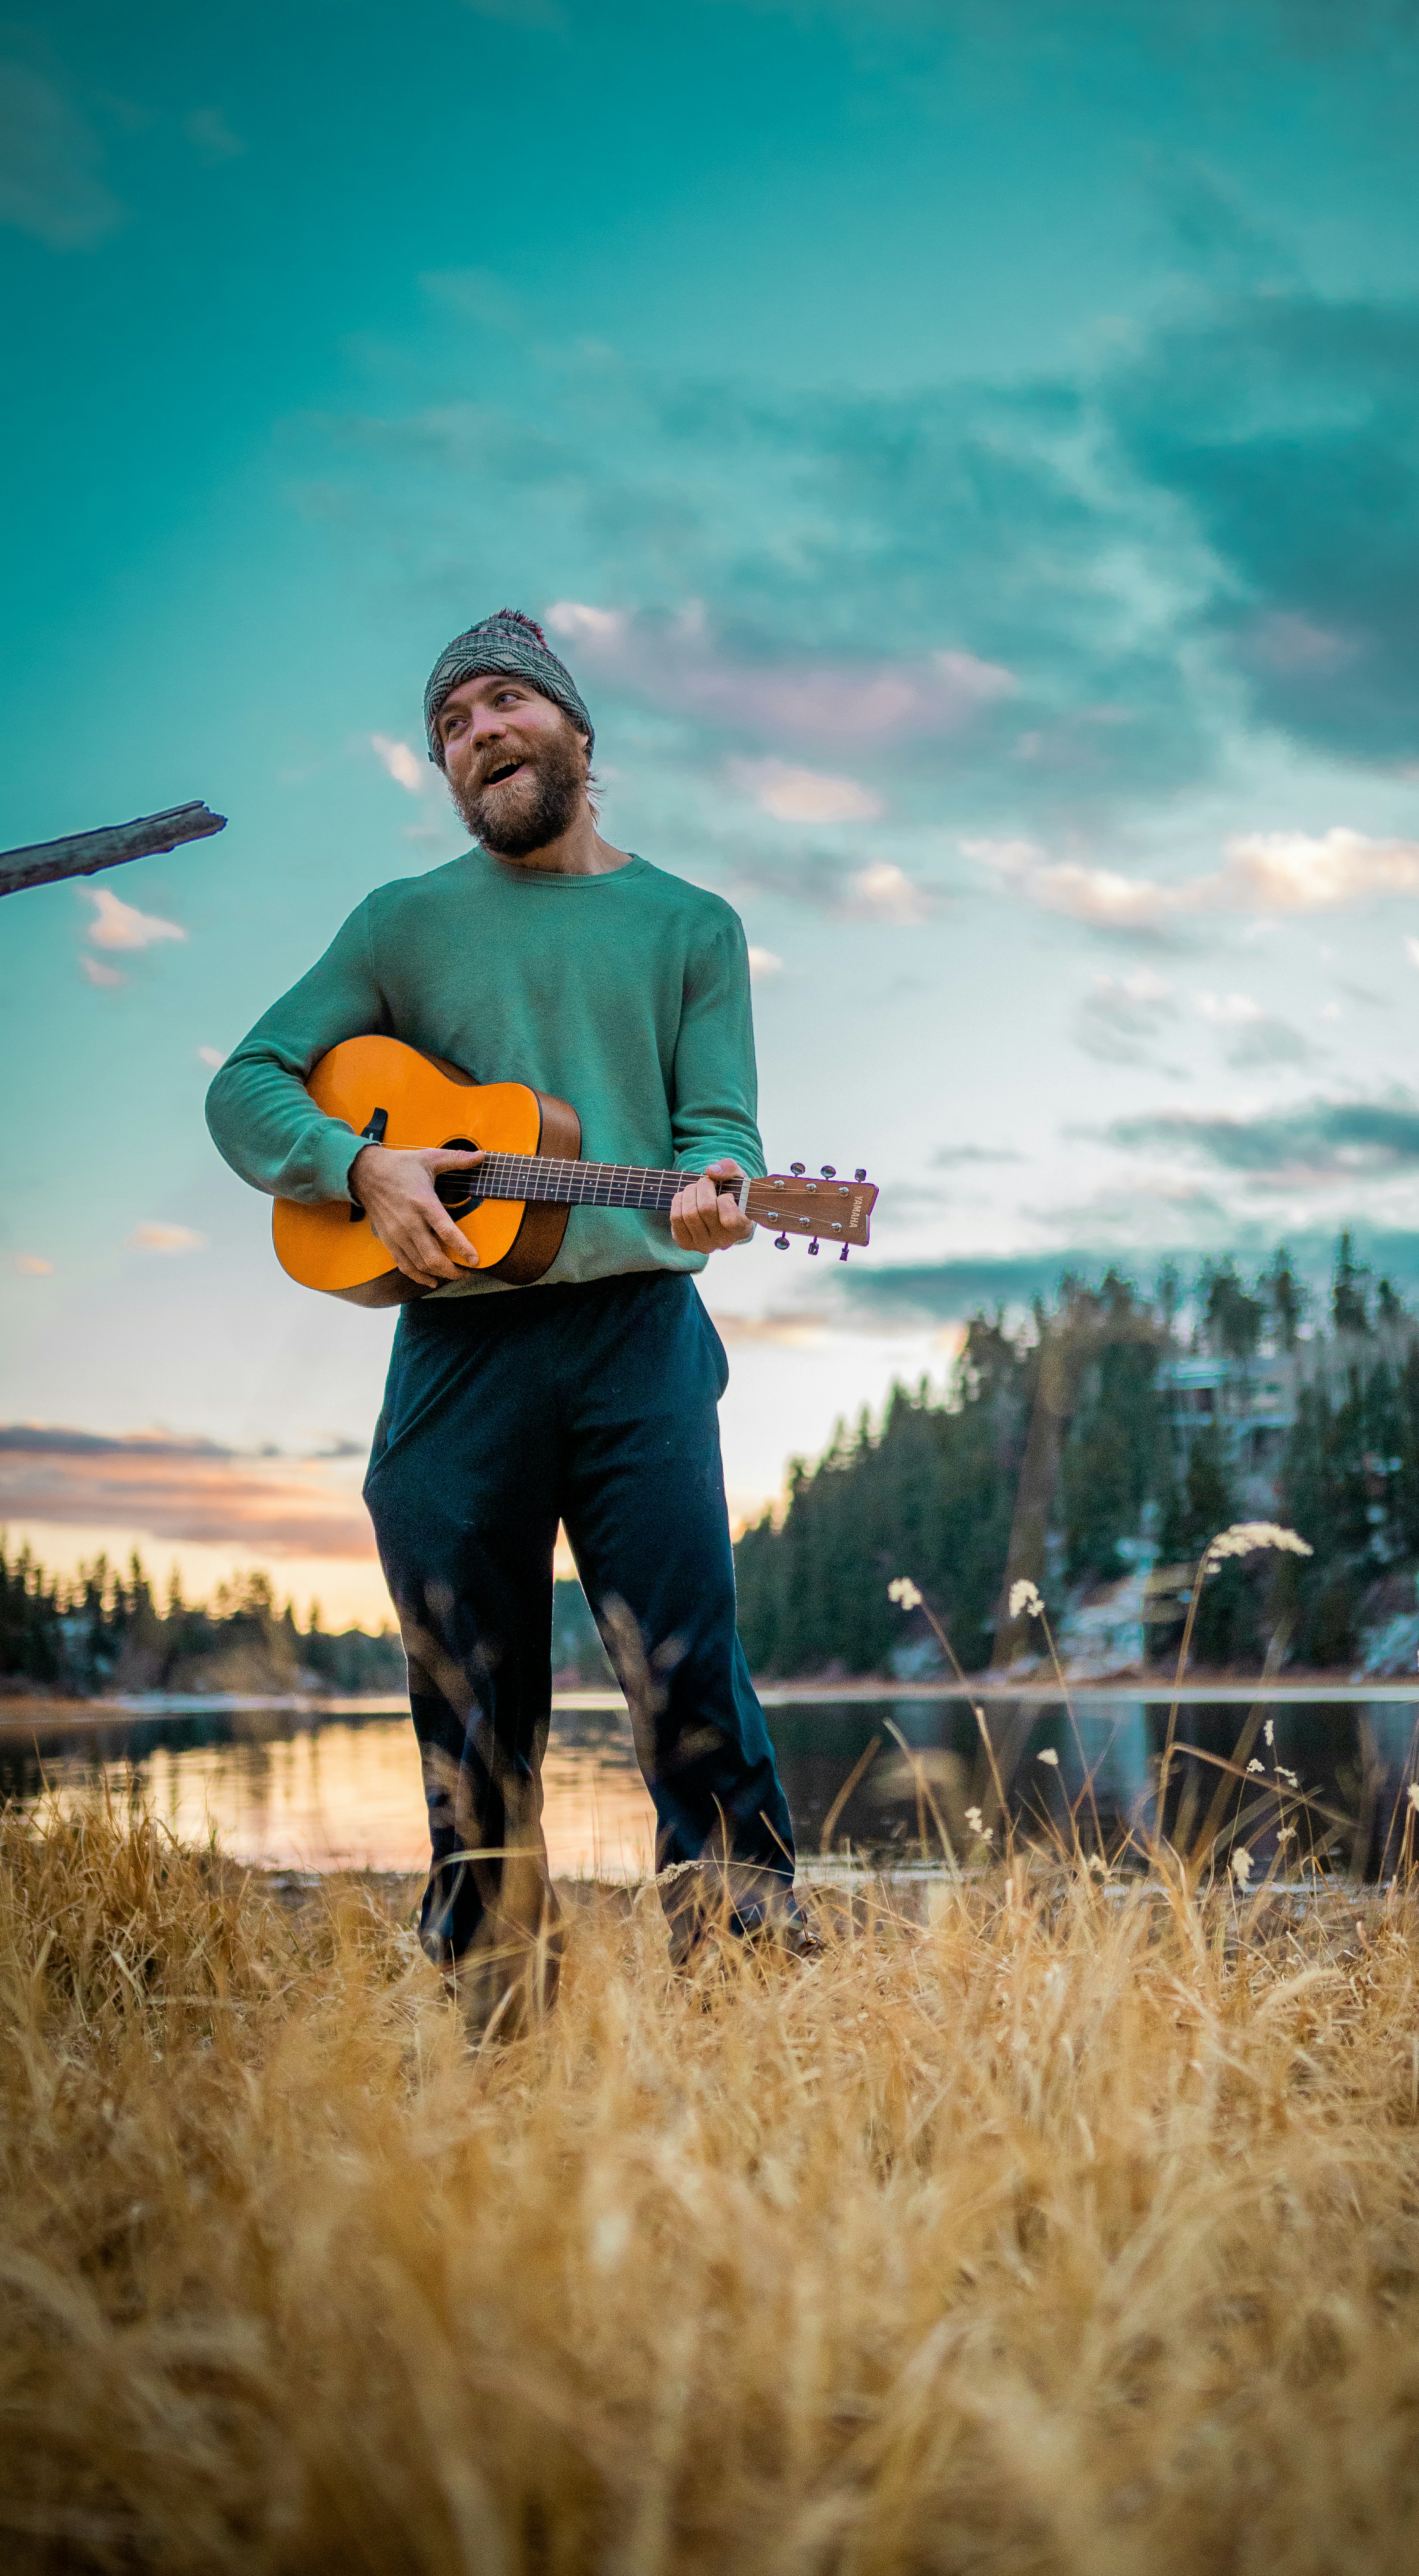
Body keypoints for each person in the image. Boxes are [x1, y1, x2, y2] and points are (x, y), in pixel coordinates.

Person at [207, 609, 797, 2028]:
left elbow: (717, 1135)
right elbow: (249, 1083)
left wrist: (716, 1193)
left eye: (500, 704)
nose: (478, 736)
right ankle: (496, 2030)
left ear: (576, 730)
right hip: (456, 1350)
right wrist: (358, 1162)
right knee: (466, 1705)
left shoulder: (692, 925)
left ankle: (756, 2016)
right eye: (451, 728)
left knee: (689, 1686)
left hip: (641, 1339)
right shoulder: (400, 924)